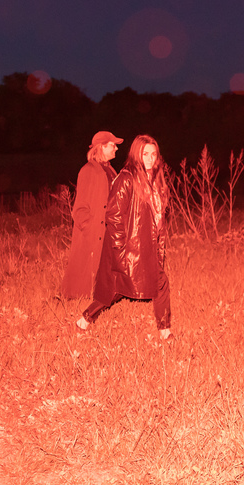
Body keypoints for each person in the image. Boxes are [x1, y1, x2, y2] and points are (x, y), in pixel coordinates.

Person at [76, 134, 172, 339]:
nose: (150, 159)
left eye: (153, 154)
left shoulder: (154, 179)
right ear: (136, 154)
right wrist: (120, 250)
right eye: (145, 154)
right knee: (116, 290)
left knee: (160, 283)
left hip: (147, 245)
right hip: (129, 247)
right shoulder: (126, 178)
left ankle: (165, 331)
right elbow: (114, 215)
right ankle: (85, 319)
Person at [58, 131, 122, 299]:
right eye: (112, 145)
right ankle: (77, 297)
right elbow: (80, 207)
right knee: (85, 269)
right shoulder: (88, 171)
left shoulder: (110, 170)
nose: (116, 148)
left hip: (108, 228)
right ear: (102, 147)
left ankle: (106, 295)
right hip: (94, 229)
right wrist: (88, 227)